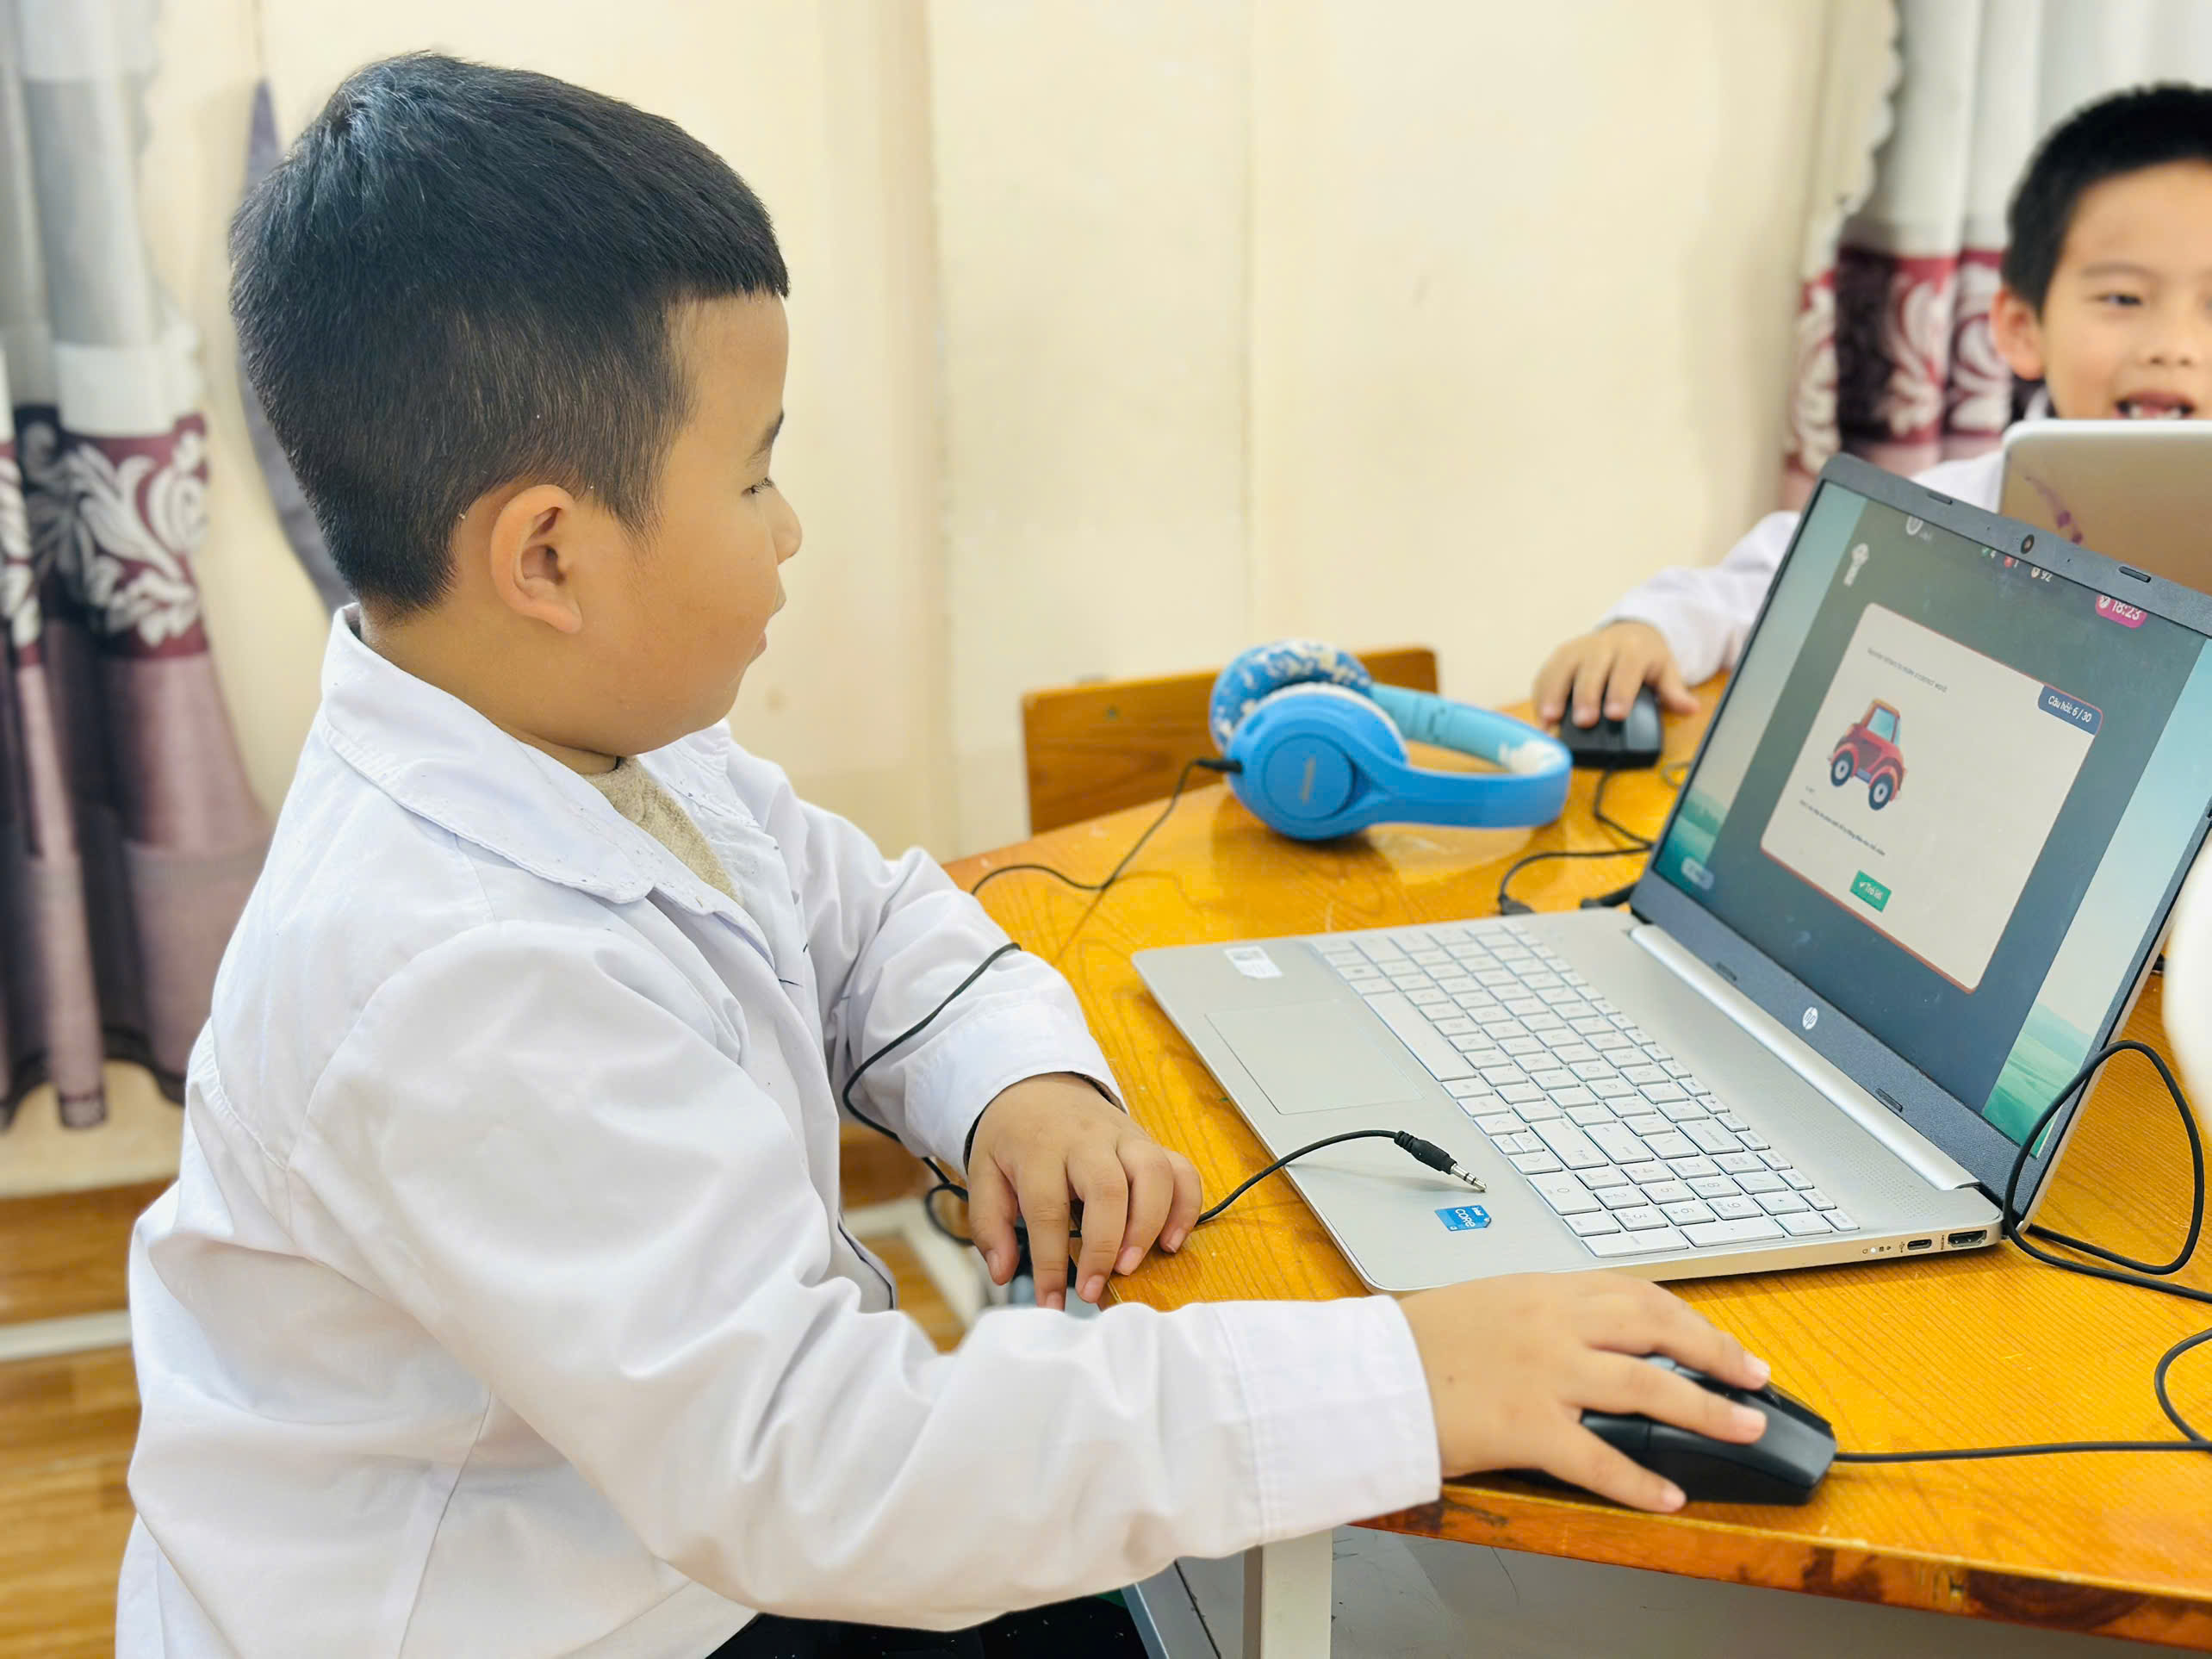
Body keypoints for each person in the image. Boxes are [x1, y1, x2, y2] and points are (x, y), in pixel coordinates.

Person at [118, 55, 1769, 1657]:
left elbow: (866, 925)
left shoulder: (579, 730)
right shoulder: (450, 980)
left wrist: (1011, 1088)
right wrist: (1410, 1378)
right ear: (548, 557)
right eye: (754, 473)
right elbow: (824, 1471)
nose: (788, 528)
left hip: (685, 1527)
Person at [1535, 82, 2212, 731]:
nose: (2174, 347)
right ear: (2020, 328)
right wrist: (1647, 631)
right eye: (2123, 298)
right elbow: (1753, 589)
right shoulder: (1965, 510)